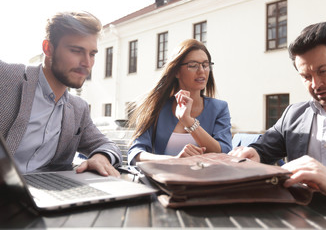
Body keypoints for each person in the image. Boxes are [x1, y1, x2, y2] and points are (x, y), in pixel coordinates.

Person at [229, 22, 326, 202]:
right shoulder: (294, 115)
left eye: (323, 71)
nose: (315, 85)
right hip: (299, 215)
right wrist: (254, 153)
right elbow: (264, 148)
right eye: (306, 77)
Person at [0, 11, 122, 177]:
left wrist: (101, 157)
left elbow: (106, 144)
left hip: (46, 197)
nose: (87, 63)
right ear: (48, 48)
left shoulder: (79, 109)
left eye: (92, 54)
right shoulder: (7, 77)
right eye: (76, 50)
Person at [128, 39, 232, 165]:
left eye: (205, 65)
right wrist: (174, 160)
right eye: (193, 65)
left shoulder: (219, 108)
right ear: (177, 71)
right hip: (161, 180)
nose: (201, 71)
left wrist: (188, 121)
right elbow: (136, 153)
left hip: (205, 181)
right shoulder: (156, 107)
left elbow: (224, 152)